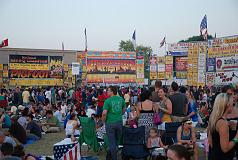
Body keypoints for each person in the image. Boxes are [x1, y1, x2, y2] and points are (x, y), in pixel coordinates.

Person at [208, 93, 238, 160]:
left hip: (214, 155)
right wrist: (236, 137)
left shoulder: (214, 118)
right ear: (227, 105)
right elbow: (225, 148)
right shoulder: (222, 123)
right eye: (232, 104)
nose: (233, 106)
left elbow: (210, 140)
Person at [102, 86, 126, 160]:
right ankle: (111, 155)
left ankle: (113, 157)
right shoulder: (121, 99)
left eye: (108, 91)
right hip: (119, 122)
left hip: (110, 123)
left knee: (112, 142)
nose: (107, 92)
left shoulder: (107, 101)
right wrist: (118, 114)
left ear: (112, 92)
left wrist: (103, 121)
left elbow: (104, 113)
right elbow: (124, 111)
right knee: (116, 141)